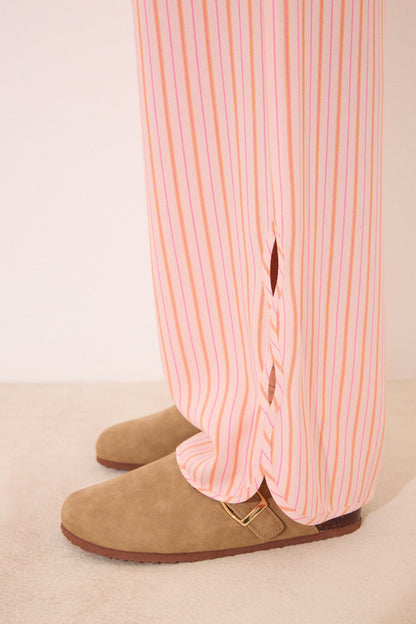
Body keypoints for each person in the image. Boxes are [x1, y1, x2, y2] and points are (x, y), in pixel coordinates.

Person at [61, 0, 385, 563]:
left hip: (285, 469)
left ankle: (283, 464)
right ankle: (232, 395)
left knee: (285, 63)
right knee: (207, 83)